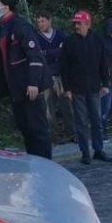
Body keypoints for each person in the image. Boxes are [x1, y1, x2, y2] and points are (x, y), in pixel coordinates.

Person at [0, 0, 51, 159]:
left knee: (37, 129)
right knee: (25, 128)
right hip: (15, 88)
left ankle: (45, 164)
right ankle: (34, 161)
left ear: (6, 7)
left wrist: (33, 82)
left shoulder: (20, 26)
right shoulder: (1, 28)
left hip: (29, 86)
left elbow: (35, 55)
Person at [62, 11, 112, 165]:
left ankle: (98, 149)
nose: (76, 26)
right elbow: (64, 67)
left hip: (94, 88)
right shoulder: (69, 42)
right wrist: (67, 88)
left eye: (79, 23)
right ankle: (85, 152)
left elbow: (103, 63)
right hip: (77, 89)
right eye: (75, 23)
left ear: (87, 24)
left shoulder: (97, 40)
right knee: (82, 122)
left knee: (97, 120)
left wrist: (105, 83)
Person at [34, 13, 76, 142]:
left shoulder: (60, 35)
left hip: (60, 75)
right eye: (39, 22)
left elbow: (66, 52)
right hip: (45, 76)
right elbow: (39, 55)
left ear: (50, 21)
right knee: (49, 108)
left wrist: (49, 53)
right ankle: (55, 136)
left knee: (67, 106)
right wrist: (54, 52)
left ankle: (73, 133)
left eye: (43, 21)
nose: (41, 24)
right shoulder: (36, 38)